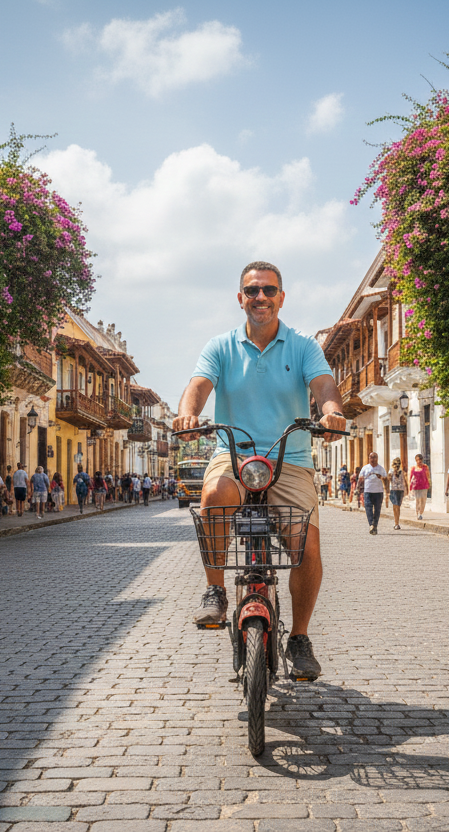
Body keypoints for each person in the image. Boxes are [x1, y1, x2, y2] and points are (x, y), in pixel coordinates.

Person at [173, 260, 345, 680]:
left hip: (291, 460)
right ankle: (215, 589)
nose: (260, 298)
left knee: (307, 546)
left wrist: (332, 411)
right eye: (252, 291)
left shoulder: (303, 345)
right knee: (213, 495)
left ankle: (300, 638)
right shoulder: (220, 346)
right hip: (234, 454)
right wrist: (187, 415)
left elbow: (323, 385)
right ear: (240, 299)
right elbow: (197, 387)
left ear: (281, 297)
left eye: (268, 291)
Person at [359, 452, 388, 534]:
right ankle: (371, 524)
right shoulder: (365, 468)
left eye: (374, 457)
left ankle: (375, 525)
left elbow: (386, 479)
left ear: (377, 458)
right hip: (367, 491)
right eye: (371, 457)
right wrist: (359, 490)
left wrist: (381, 477)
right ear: (368, 458)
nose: (372, 459)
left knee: (377, 509)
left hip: (378, 492)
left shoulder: (381, 469)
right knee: (368, 508)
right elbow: (360, 479)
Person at [409, 454, 431, 520]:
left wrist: (429, 484)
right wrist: (409, 487)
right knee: (417, 500)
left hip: (424, 485)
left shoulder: (425, 467)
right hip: (416, 486)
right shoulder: (413, 468)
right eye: (417, 460)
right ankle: (417, 513)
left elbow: (428, 475)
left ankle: (421, 513)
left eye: (420, 460)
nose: (419, 461)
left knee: (423, 500)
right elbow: (410, 477)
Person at [387, 457, 407, 530]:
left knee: (395, 507)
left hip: (393, 490)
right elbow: (404, 481)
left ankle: (396, 523)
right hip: (401, 490)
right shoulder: (402, 471)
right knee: (398, 507)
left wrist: (386, 490)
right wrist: (406, 489)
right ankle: (397, 523)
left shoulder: (391, 471)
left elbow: (388, 480)